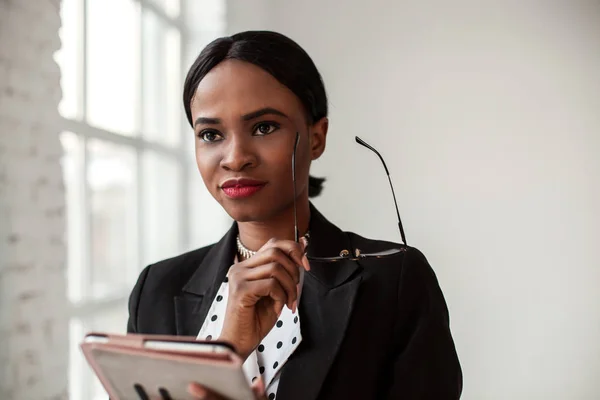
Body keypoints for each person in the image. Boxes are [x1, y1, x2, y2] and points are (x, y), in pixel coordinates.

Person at [127, 30, 462, 400]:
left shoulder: (395, 283)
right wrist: (227, 349)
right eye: (210, 134)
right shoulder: (156, 289)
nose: (236, 157)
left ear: (316, 137)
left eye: (264, 127)